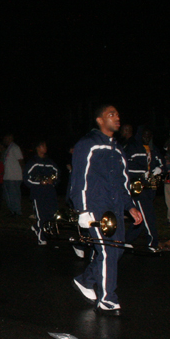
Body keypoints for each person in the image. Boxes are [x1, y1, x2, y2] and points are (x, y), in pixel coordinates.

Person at [69, 105, 142, 317]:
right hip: (96, 207)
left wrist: (130, 206)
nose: (117, 117)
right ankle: (107, 299)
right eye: (112, 115)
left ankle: (85, 280)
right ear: (100, 120)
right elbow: (79, 180)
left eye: (118, 114)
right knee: (109, 250)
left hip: (116, 208)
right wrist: (82, 211)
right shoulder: (87, 145)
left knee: (116, 251)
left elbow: (123, 182)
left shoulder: (118, 149)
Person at [124, 128, 163, 249]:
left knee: (142, 215)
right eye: (145, 135)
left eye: (149, 135)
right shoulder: (132, 147)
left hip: (150, 186)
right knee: (149, 214)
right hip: (137, 186)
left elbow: (161, 163)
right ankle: (153, 243)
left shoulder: (153, 148)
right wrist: (142, 173)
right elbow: (126, 167)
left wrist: (160, 169)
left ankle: (126, 240)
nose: (147, 138)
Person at [24, 140, 60, 245]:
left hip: (50, 192)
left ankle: (36, 227)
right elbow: (27, 179)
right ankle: (42, 238)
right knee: (41, 216)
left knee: (52, 214)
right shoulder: (33, 162)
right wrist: (39, 182)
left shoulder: (49, 162)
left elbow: (57, 173)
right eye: (43, 146)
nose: (45, 147)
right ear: (38, 148)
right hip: (38, 193)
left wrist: (53, 181)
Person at [2, 133, 24, 216]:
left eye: (6, 138)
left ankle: (17, 211)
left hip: (14, 176)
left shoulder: (15, 147)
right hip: (8, 176)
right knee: (8, 195)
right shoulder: (9, 148)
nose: (4, 140)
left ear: (10, 138)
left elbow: (20, 160)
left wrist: (22, 172)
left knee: (15, 195)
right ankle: (12, 210)